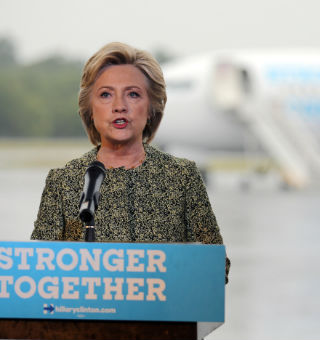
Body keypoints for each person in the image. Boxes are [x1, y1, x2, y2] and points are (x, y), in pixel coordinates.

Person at [30, 42, 229, 282]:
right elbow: (38, 271)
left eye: (133, 94)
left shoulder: (182, 177)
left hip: (162, 316)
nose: (119, 107)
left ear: (152, 108)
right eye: (105, 95)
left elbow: (217, 268)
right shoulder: (63, 181)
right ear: (90, 109)